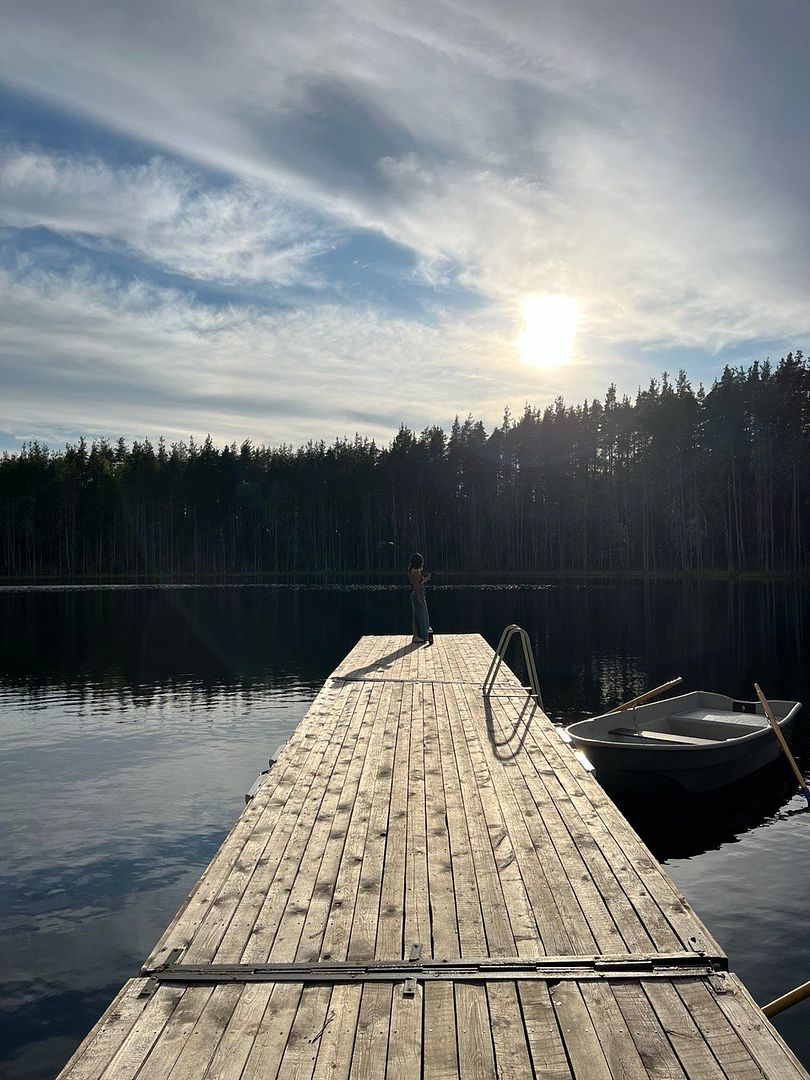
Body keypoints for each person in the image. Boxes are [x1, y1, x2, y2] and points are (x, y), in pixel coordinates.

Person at [408, 552, 434, 645]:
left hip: (419, 594)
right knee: (421, 616)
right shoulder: (415, 571)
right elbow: (416, 585)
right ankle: (419, 636)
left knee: (419, 615)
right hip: (418, 595)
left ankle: (418, 635)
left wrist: (427, 578)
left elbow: (420, 582)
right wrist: (419, 598)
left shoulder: (415, 571)